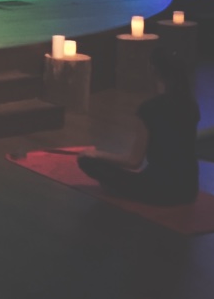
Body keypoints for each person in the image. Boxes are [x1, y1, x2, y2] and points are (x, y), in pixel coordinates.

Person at [76, 47, 201, 206]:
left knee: (87, 161)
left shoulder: (149, 108)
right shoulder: (191, 105)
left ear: (153, 70)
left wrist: (95, 154)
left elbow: (134, 161)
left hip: (160, 190)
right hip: (189, 190)